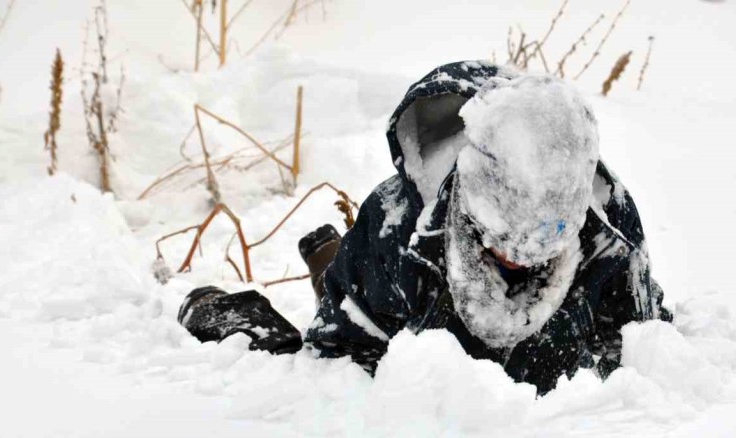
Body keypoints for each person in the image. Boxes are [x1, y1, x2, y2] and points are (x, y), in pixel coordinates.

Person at [178, 61, 671, 395]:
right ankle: (273, 287)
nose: (521, 257)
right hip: (413, 347)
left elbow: (643, 340)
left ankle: (332, 256)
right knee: (321, 334)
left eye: (546, 239)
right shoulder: (397, 229)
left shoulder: (610, 225)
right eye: (504, 236)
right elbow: (337, 361)